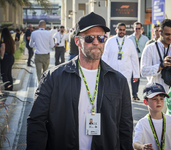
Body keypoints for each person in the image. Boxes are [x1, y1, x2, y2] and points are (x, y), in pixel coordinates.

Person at [27, 12, 133, 150]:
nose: (96, 42)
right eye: (89, 38)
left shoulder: (119, 81)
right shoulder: (53, 78)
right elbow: (37, 122)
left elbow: (125, 127)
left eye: (101, 38)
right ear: (77, 41)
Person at [140, 19, 171, 112]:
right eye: (167, 34)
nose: (170, 37)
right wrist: (160, 66)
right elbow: (143, 71)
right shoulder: (150, 49)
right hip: (156, 97)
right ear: (160, 32)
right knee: (158, 125)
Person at [133, 82, 171, 150]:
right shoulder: (142, 123)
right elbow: (135, 143)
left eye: (161, 99)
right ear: (145, 101)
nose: (159, 102)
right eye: (154, 99)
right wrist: (142, 147)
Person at [102, 22, 139, 98]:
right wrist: (104, 71)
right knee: (113, 91)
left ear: (125, 31)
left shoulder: (129, 42)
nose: (122, 31)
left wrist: (136, 74)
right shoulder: (110, 41)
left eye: (123, 30)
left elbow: (134, 59)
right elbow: (104, 57)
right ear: (116, 30)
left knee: (122, 92)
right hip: (112, 71)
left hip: (126, 72)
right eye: (120, 30)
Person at [128, 22, 149, 100]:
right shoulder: (129, 38)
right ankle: (134, 94)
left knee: (138, 76)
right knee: (134, 76)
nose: (137, 30)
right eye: (136, 28)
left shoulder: (145, 39)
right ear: (133, 29)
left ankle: (136, 93)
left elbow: (147, 50)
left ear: (141, 29)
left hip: (141, 59)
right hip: (132, 59)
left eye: (139, 28)